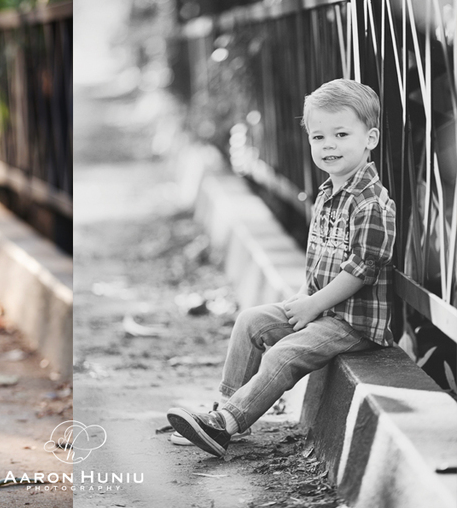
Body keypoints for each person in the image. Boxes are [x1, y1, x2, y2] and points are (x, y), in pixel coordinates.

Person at [167, 79, 396, 457]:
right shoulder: (328, 193)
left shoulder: (371, 204)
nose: (329, 146)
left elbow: (360, 271)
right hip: (321, 307)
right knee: (250, 321)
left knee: (282, 354)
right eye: (319, 137)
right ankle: (224, 411)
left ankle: (227, 424)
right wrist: (306, 299)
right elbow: (320, 258)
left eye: (341, 134)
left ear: (370, 138)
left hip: (352, 323)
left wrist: (311, 305)